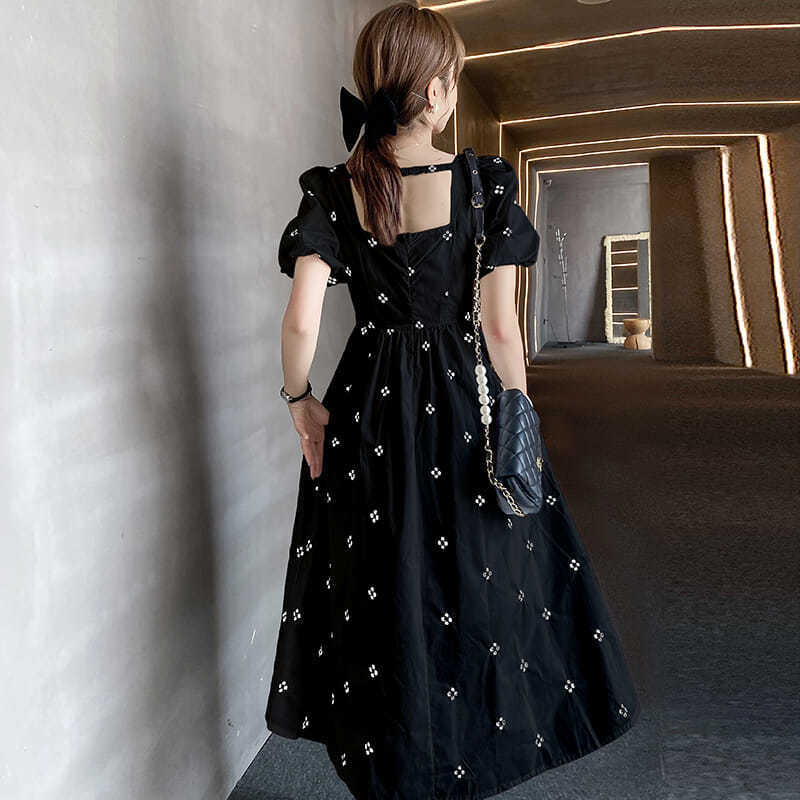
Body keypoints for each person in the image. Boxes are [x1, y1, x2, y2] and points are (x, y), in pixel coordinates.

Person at [265, 4, 639, 799]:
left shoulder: (335, 188)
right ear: (435, 91)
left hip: (367, 408)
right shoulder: (482, 184)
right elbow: (500, 328)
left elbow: (301, 321)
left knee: (380, 583)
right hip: (466, 406)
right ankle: (470, 750)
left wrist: (301, 401)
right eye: (455, 81)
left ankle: (391, 764)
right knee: (479, 575)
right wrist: (518, 414)